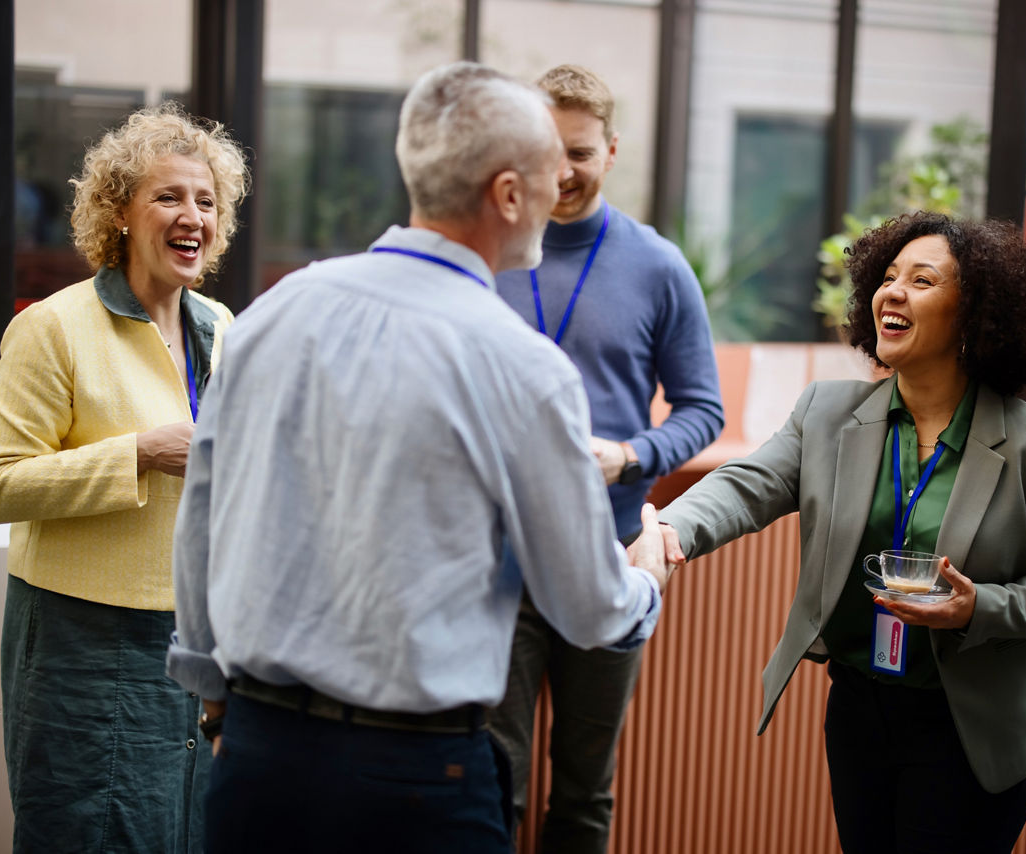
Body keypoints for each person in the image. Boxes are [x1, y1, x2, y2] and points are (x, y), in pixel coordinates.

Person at [165, 62, 675, 854]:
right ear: (509, 194)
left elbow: (200, 518)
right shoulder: (525, 367)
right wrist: (645, 576)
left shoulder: (275, 312)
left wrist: (218, 707)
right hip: (416, 782)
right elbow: (587, 607)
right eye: (547, 176)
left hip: (258, 762)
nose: (558, 193)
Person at [643, 211, 1026, 853]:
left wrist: (980, 608)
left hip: (970, 725)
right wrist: (670, 529)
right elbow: (746, 485)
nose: (892, 292)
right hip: (860, 710)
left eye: (922, 280)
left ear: (974, 312)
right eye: (887, 277)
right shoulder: (826, 412)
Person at [0, 103, 249, 853]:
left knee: (186, 832)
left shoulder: (223, 328)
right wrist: (138, 453)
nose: (192, 214)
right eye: (169, 196)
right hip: (80, 643)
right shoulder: (53, 327)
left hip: (193, 640)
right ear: (118, 212)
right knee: (87, 833)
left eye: (206, 200)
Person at [488, 64, 724, 853]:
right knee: (495, 775)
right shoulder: (484, 250)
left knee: (585, 790)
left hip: (612, 553)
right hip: (498, 560)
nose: (562, 169)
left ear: (612, 151)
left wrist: (630, 455)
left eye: (580, 152)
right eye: (547, 148)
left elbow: (703, 411)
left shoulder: (658, 266)